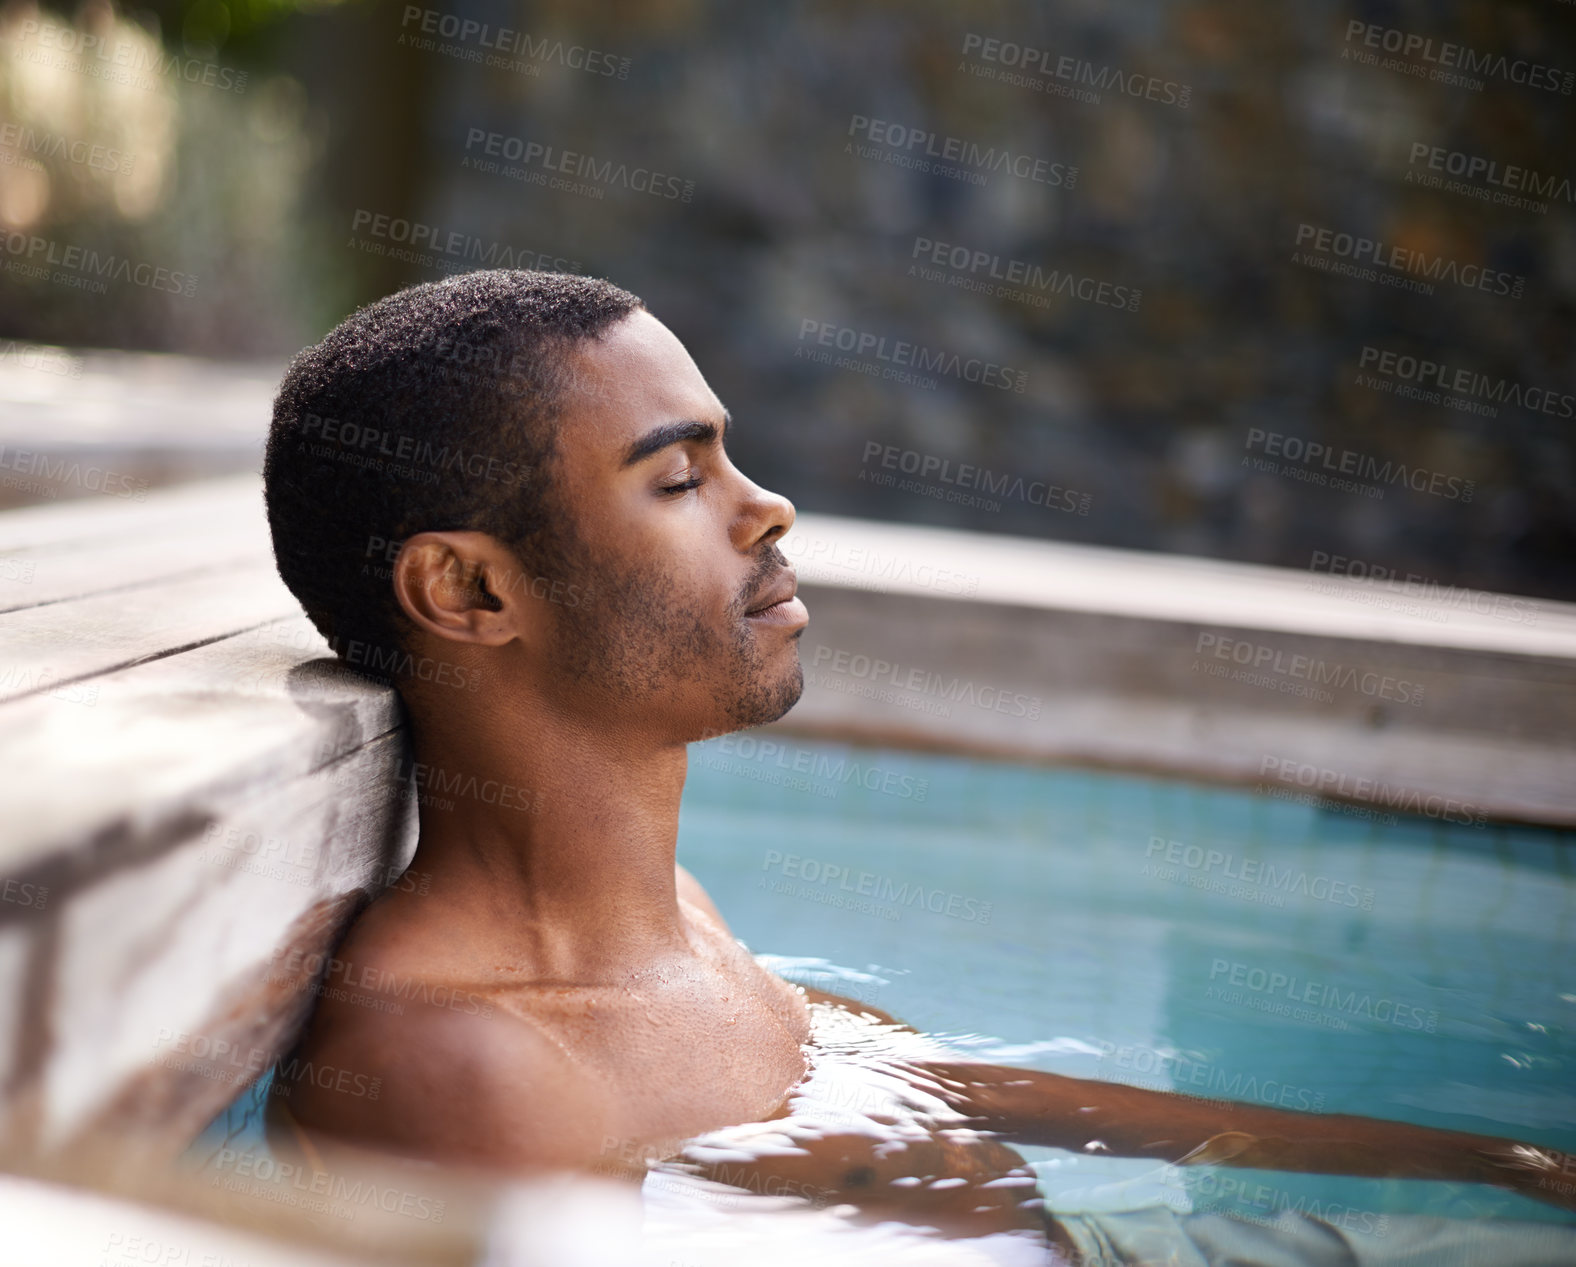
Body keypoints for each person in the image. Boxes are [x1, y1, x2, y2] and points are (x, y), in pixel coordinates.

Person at [260, 270, 1576, 1262]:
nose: (767, 509)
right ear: (471, 590)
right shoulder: (469, 1069)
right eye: (676, 481)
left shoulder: (675, 923)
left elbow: (929, 1086)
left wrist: (1484, 1157)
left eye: (732, 457)